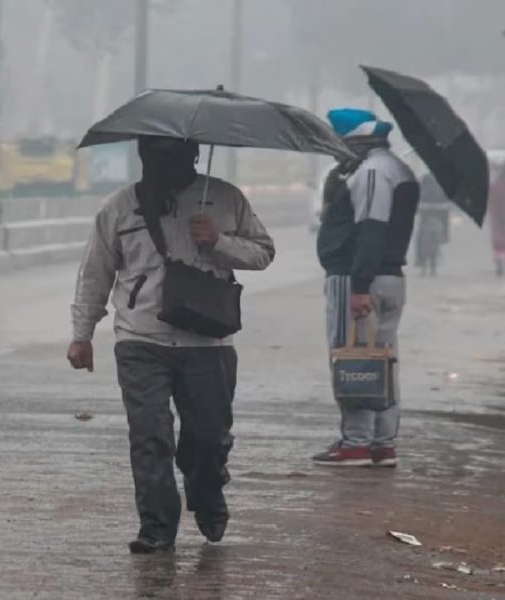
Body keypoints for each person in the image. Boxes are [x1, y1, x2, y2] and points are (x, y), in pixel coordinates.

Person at [67, 136, 275, 553]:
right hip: (141, 338)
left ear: (193, 155)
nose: (163, 164)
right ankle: (157, 527)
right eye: (153, 155)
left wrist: (218, 241)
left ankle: (207, 491)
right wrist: (82, 333)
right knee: (149, 435)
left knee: (209, 437)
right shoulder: (120, 207)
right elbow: (96, 271)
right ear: (141, 156)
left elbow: (263, 252)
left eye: (173, 155)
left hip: (209, 341)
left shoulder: (224, 198)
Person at [313, 109, 419, 467]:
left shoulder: (373, 172)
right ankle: (382, 442)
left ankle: (356, 442)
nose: (334, 151)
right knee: (383, 359)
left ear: (355, 140)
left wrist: (359, 286)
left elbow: (371, 229)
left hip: (360, 280)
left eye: (337, 143)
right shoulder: (394, 167)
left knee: (353, 356)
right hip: (387, 278)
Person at [414, 172, 450, 277]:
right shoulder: (441, 183)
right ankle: (430, 267)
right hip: (436, 218)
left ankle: (423, 265)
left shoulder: (425, 183)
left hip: (427, 219)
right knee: (434, 241)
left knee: (421, 242)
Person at [488, 163, 505, 276]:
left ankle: (499, 262)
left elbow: (491, 202)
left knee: (498, 241)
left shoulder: (495, 185)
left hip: (498, 216)